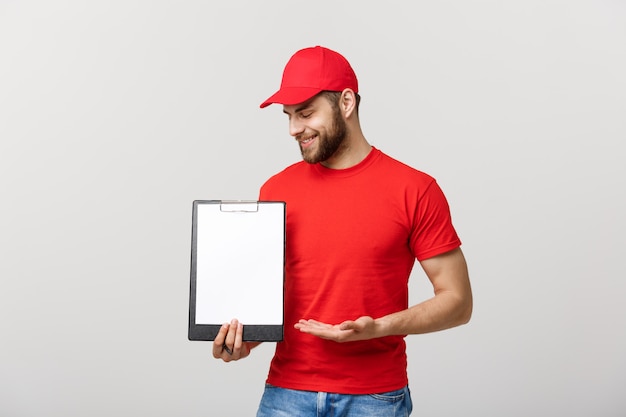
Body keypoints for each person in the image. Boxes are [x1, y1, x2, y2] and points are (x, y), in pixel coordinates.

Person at [212, 45, 473, 416]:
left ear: (346, 103)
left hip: (376, 398)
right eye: (288, 116)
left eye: (305, 113)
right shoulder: (274, 191)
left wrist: (379, 326)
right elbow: (275, 298)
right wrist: (242, 340)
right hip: (286, 393)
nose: (293, 129)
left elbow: (458, 302)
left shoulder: (415, 189)